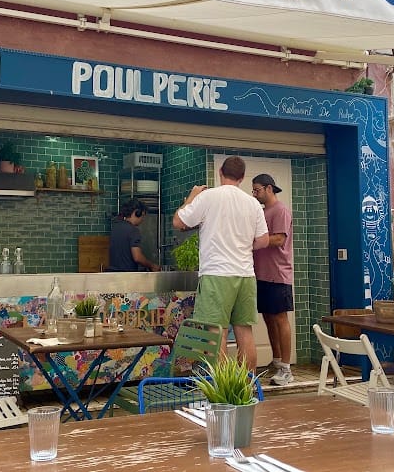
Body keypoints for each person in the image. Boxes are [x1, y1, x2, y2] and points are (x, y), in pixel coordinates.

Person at [173, 156, 269, 370]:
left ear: (220, 172)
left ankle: (222, 389)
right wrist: (242, 245)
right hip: (245, 275)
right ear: (242, 178)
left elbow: (179, 221)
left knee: (217, 334)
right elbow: (263, 240)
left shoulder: (208, 197)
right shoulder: (252, 203)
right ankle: (246, 387)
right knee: (245, 332)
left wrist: (191, 196)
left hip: (217, 275)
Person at [251, 173, 295, 386]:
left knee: (280, 318)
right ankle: (276, 361)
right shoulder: (262, 211)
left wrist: (255, 241)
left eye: (257, 190)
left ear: (269, 188)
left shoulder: (281, 210)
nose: (255, 194)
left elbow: (279, 239)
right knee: (268, 317)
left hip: (278, 274)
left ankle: (286, 368)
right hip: (261, 273)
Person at [108, 198, 160, 272]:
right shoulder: (133, 230)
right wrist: (152, 265)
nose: (143, 219)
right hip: (127, 276)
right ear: (136, 213)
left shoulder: (115, 227)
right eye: (143, 216)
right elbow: (137, 257)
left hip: (112, 274)